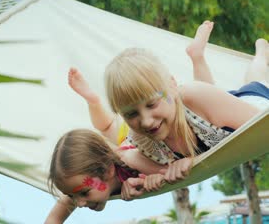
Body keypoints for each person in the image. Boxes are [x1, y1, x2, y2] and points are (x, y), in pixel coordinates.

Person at [44, 21, 230, 223]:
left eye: (84, 194)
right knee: (108, 128)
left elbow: (172, 169)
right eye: (75, 196)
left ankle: (197, 56)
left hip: (143, 139)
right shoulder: (82, 183)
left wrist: (153, 180)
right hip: (137, 138)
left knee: (206, 94)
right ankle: (94, 101)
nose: (78, 202)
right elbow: (61, 208)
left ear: (107, 170)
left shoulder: (127, 161)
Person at [104, 36, 269, 199]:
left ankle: (261, 54)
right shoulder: (140, 139)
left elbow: (263, 124)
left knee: (258, 80)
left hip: (259, 105)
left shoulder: (196, 95)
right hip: (222, 111)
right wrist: (151, 179)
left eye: (152, 104)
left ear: (173, 86)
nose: (146, 121)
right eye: (131, 114)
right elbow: (134, 159)